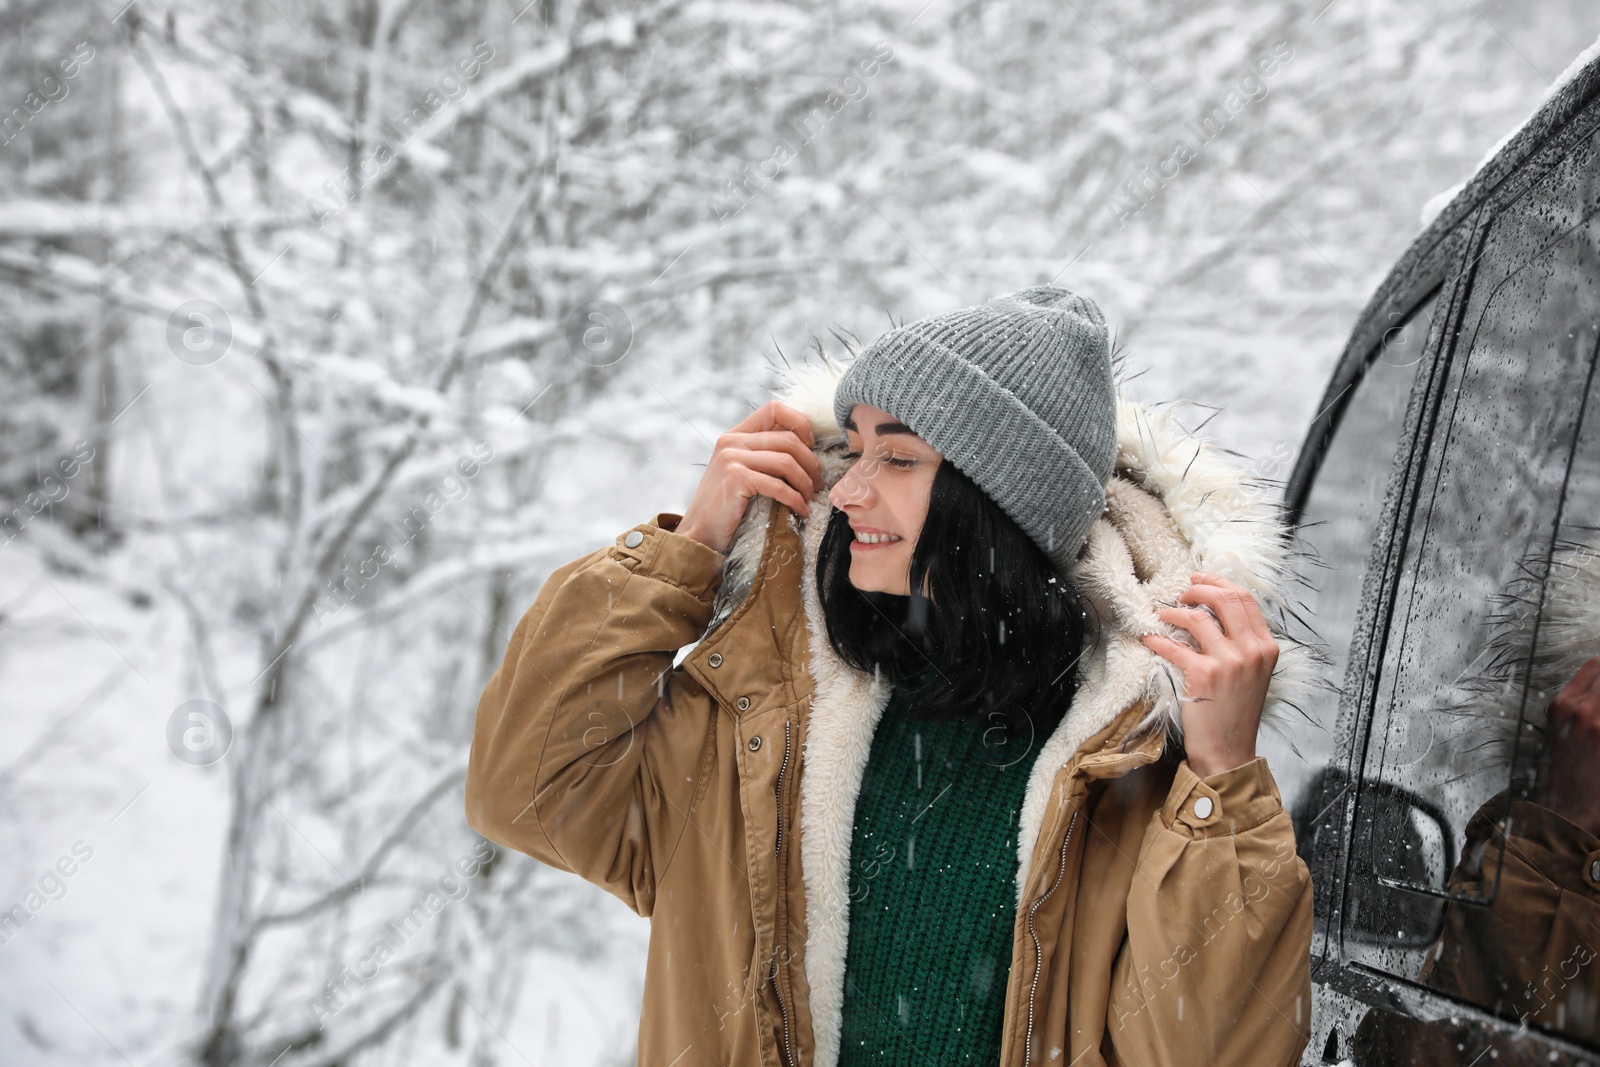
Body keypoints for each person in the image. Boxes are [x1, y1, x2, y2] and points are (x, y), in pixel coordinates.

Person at [464, 286, 1315, 1066]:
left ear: (999, 504)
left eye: (898, 459)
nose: (851, 490)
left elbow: (1207, 1054)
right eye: (855, 450)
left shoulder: (1132, 767)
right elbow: (529, 789)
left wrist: (1221, 783)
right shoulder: (762, 720)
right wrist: (687, 547)